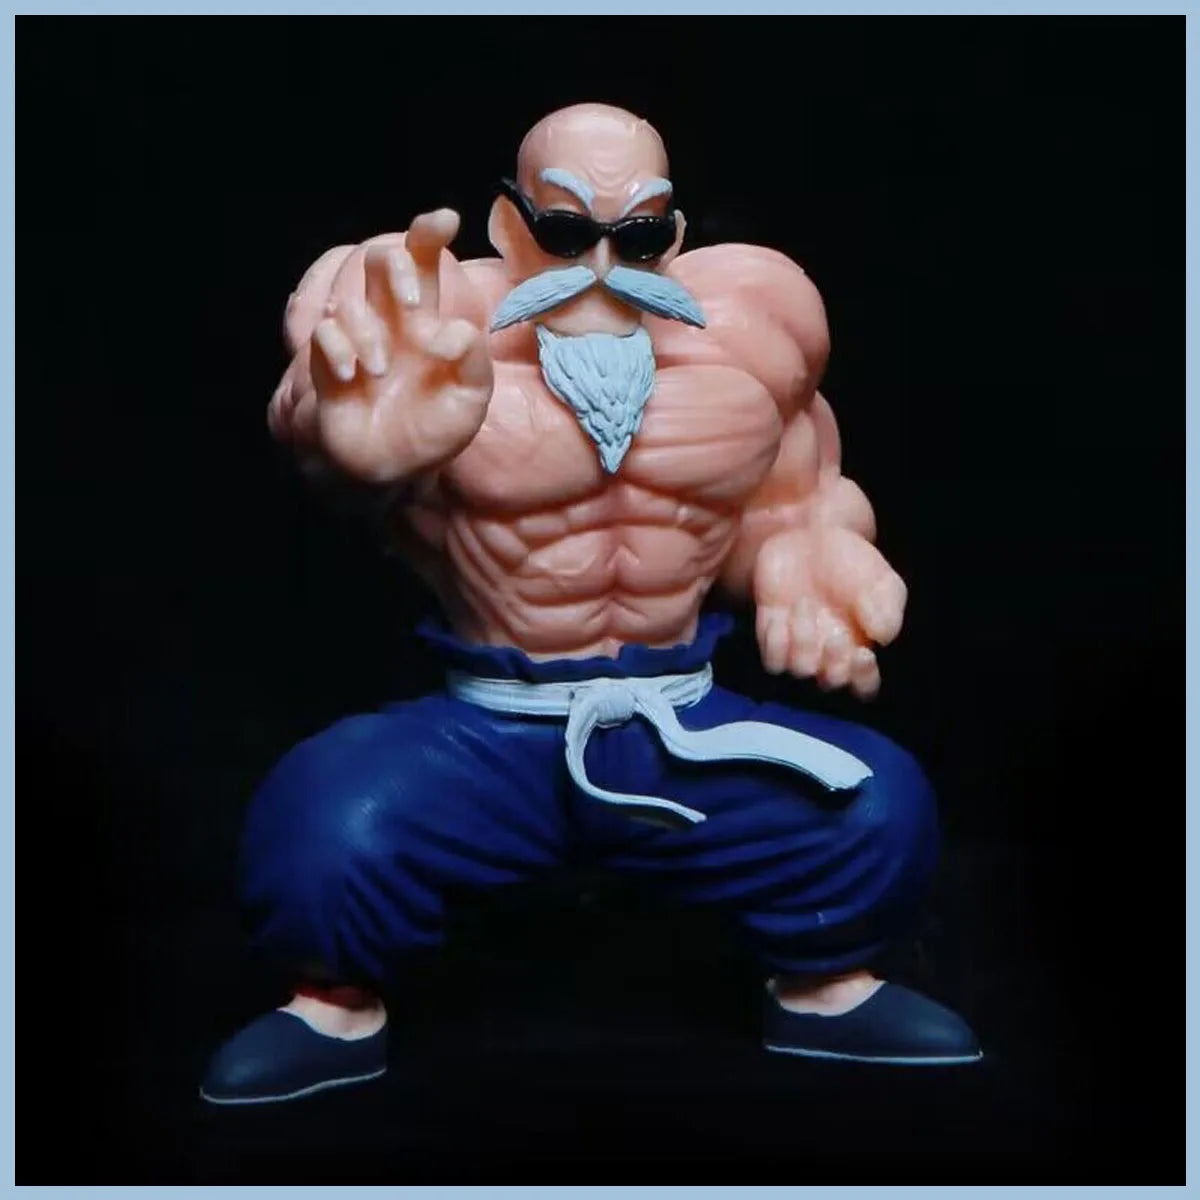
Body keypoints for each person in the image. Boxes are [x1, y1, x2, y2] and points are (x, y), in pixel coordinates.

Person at [201, 102, 980, 1106]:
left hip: (678, 726)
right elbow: (326, 429)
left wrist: (806, 553)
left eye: (640, 235)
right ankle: (334, 1006)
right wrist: (356, 447)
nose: (605, 265)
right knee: (318, 829)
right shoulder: (425, 328)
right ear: (509, 225)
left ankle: (825, 991)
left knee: (879, 807)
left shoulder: (750, 339)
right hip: (491, 732)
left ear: (674, 234)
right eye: (569, 231)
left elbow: (798, 495)